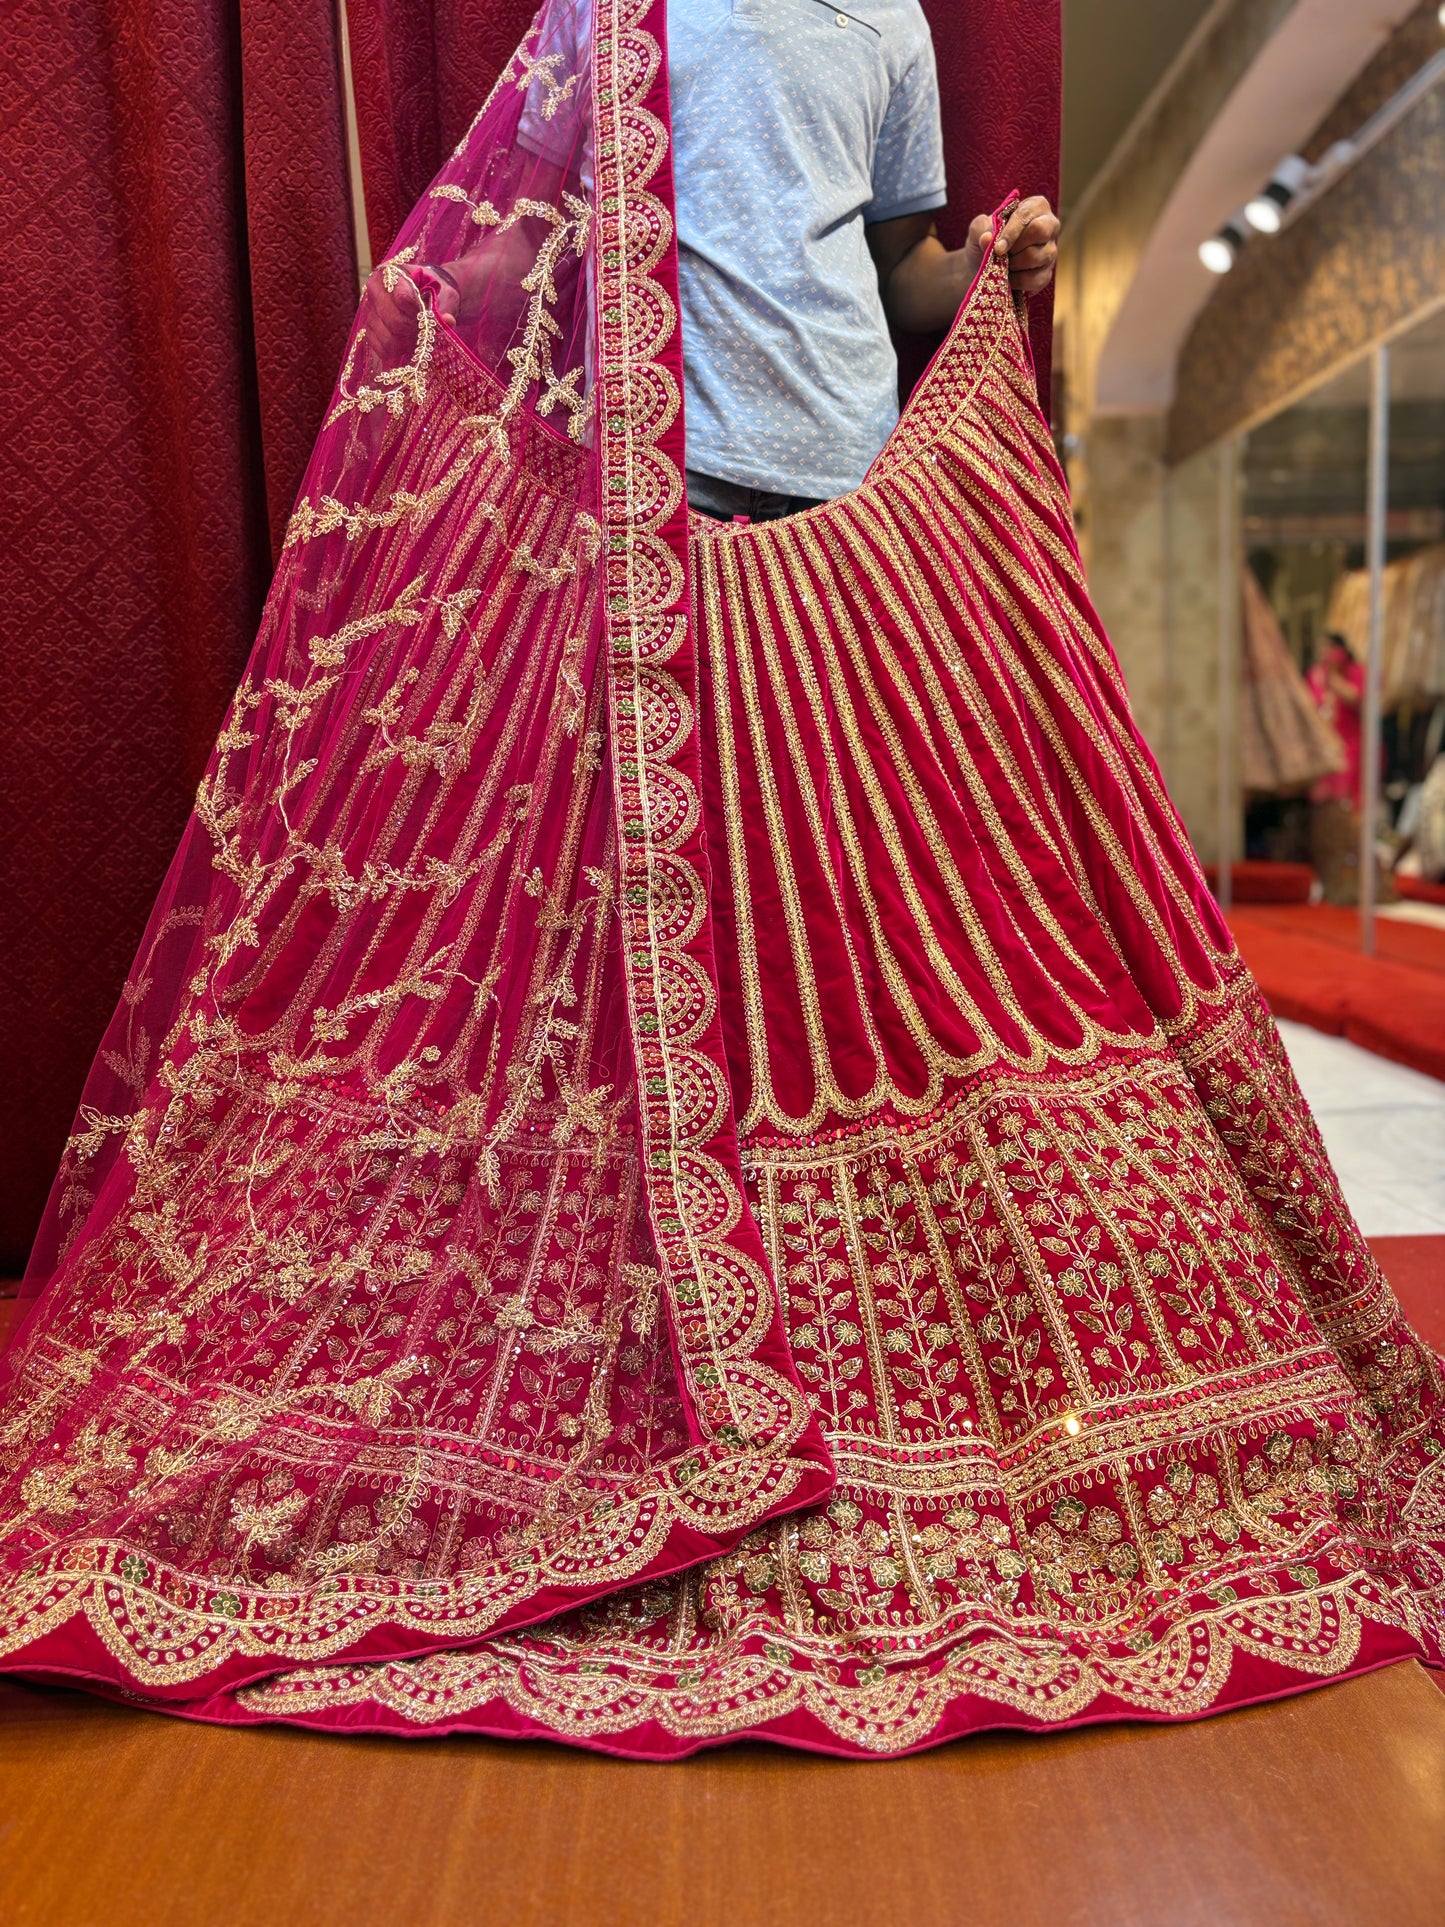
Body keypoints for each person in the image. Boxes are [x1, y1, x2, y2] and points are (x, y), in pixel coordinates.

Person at [0, 0, 1440, 1760]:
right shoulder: (627, 5)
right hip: (647, 509)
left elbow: (894, 269)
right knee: (640, 966)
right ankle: (664, 1359)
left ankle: (875, 1379)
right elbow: (522, 238)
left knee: (861, 953)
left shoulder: (890, 20)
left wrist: (990, 266)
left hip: (854, 515)